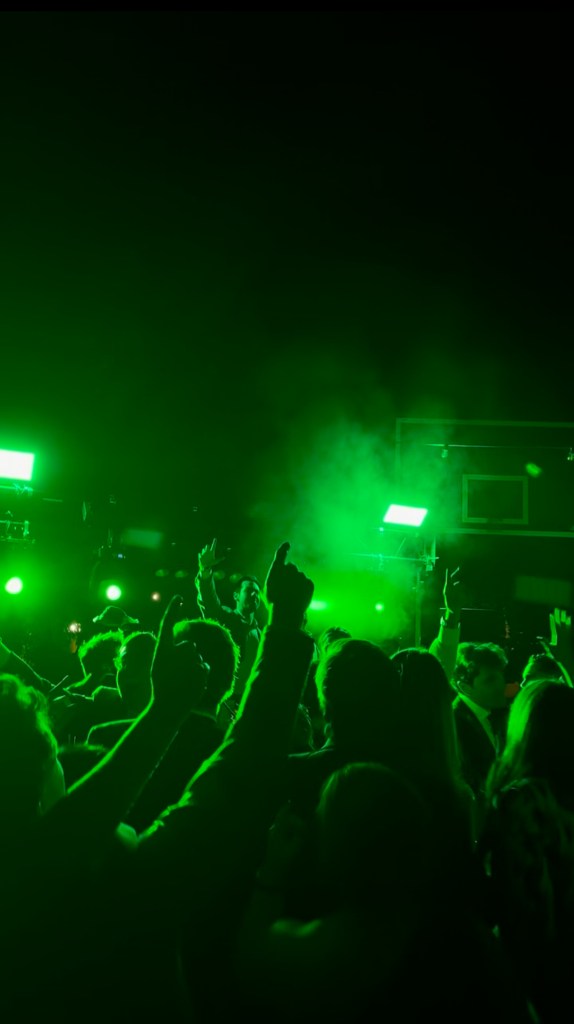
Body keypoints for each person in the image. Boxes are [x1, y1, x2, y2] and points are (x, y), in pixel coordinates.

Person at [196, 537, 263, 697]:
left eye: (257, 592)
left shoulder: (259, 633)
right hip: (224, 700)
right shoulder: (225, 618)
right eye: (249, 590)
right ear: (236, 596)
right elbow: (209, 601)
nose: (254, 595)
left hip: (247, 701)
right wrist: (205, 570)